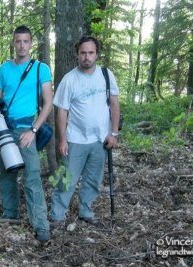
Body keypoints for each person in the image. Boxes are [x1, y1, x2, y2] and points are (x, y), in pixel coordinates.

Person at [0, 25, 53, 242]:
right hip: (4, 127)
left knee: (32, 177)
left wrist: (33, 130)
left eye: (25, 41)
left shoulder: (41, 68)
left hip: (26, 129)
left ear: (31, 43)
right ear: (13, 43)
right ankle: (10, 213)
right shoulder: (4, 69)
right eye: (17, 41)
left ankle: (40, 225)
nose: (21, 45)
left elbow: (49, 103)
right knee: (5, 174)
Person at [51, 36, 120, 226]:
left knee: (93, 179)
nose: (86, 57)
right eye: (83, 53)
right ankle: (57, 214)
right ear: (77, 54)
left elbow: (114, 104)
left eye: (90, 53)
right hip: (75, 139)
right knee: (66, 179)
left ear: (96, 54)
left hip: (100, 139)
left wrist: (113, 133)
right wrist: (62, 139)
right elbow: (62, 111)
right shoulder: (69, 79)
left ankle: (86, 210)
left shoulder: (106, 75)